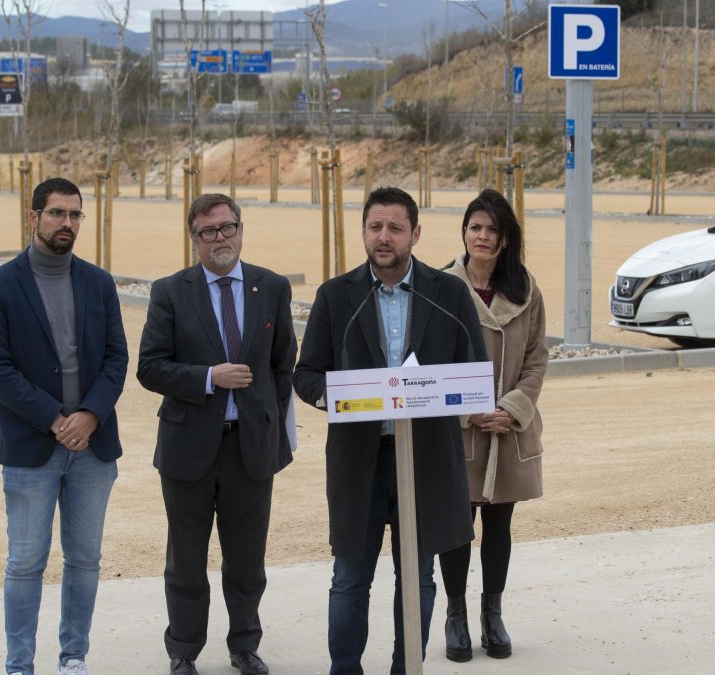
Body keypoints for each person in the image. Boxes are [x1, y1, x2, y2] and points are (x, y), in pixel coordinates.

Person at [293, 186, 487, 674]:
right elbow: (306, 374)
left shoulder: (449, 294)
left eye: (395, 228)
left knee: (418, 577)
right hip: (360, 458)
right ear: (363, 231)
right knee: (350, 577)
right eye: (375, 226)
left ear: (415, 234)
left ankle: (408, 669)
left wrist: (439, 392)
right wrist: (337, 397)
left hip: (424, 459)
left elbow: (474, 368)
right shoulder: (336, 297)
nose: (384, 237)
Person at [137, 193, 297, 675]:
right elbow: (150, 367)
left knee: (247, 559)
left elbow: (282, 363)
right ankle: (183, 651)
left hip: (251, 448)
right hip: (188, 448)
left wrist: (266, 417)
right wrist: (210, 377)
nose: (220, 239)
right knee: (186, 561)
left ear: (241, 230)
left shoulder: (271, 287)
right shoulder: (170, 291)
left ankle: (244, 645)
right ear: (194, 240)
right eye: (208, 232)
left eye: (227, 228)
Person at [0, 177, 128, 675]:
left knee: (84, 560)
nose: (67, 223)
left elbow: (115, 358)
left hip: (94, 447)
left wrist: (89, 416)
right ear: (34, 216)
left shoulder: (99, 283)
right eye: (58, 213)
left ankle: (73, 658)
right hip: (30, 448)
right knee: (25, 564)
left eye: (75, 215)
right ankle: (19, 664)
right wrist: (56, 420)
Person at [436, 188, 547, 662]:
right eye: (474, 227)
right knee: (457, 525)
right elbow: (430, 364)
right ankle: (456, 615)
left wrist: (512, 408)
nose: (482, 236)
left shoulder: (526, 289)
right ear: (464, 232)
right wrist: (469, 408)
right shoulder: (440, 287)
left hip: (509, 429)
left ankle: (492, 614)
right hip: (459, 430)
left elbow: (538, 359)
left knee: (500, 523)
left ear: (505, 240)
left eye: (491, 230)